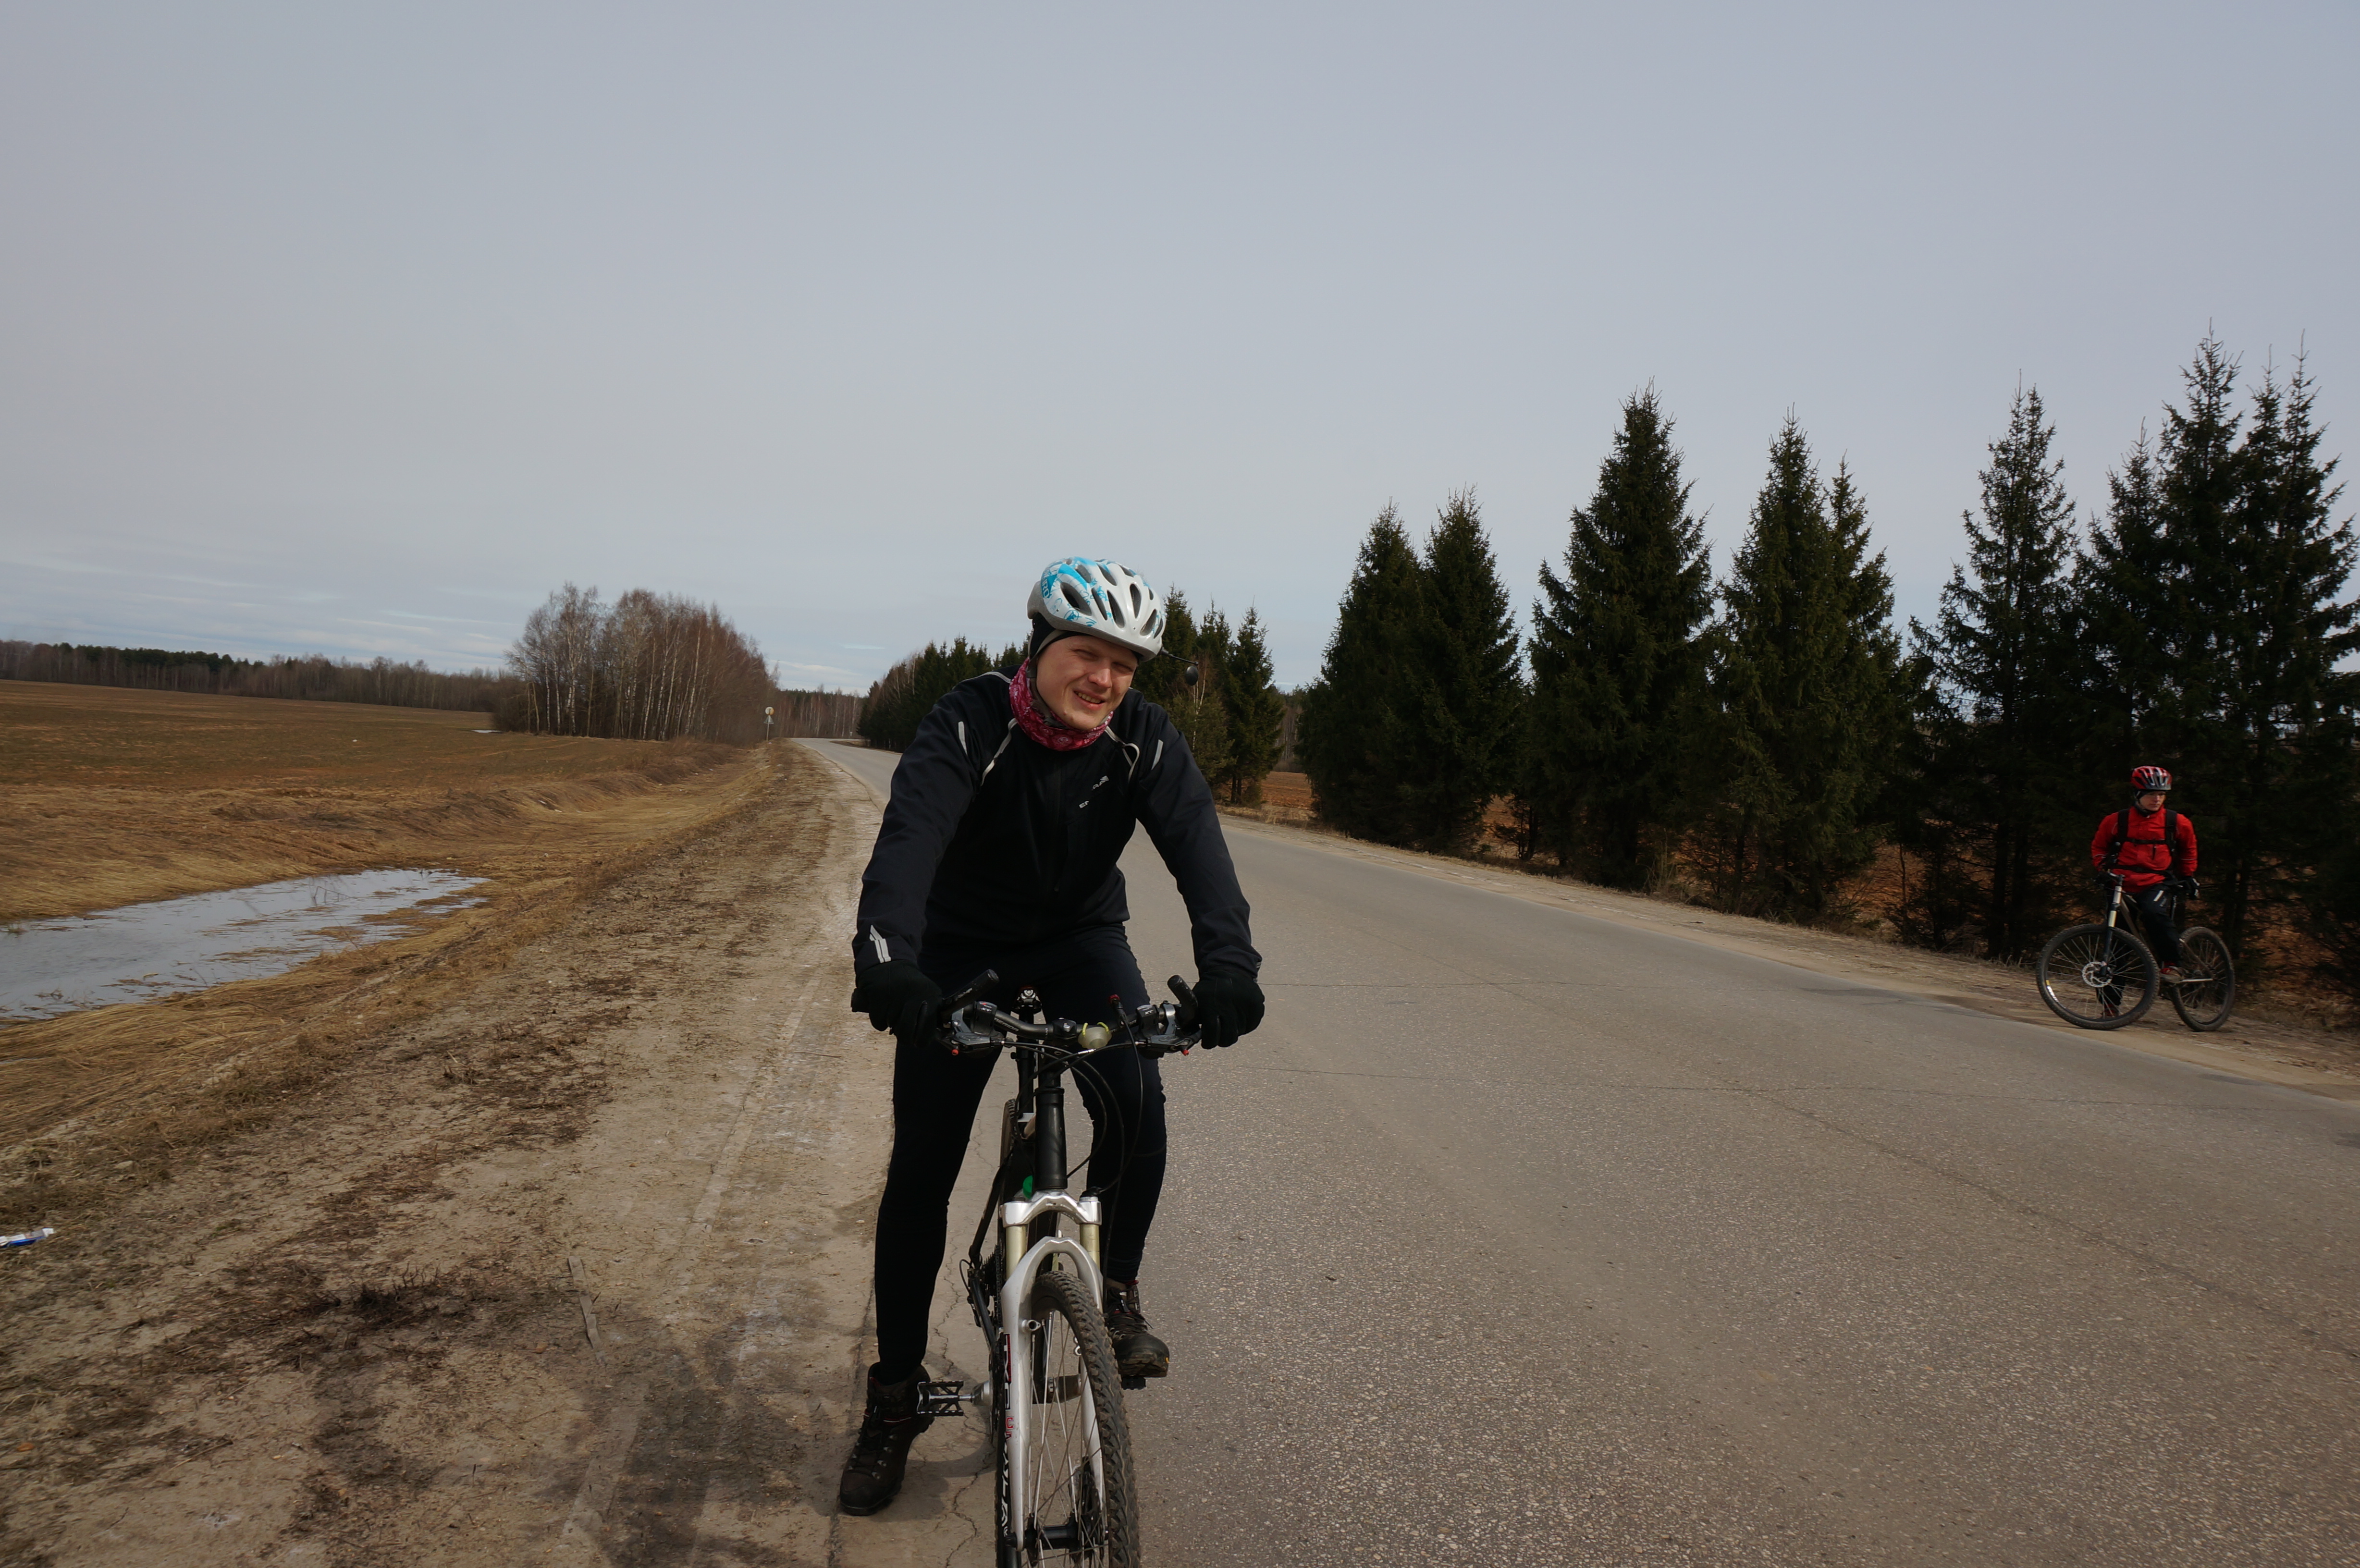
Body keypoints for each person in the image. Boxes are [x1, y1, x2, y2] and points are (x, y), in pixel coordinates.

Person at [836, 556, 1266, 1517]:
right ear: (1038, 647)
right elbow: (909, 838)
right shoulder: (970, 720)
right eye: (1087, 653)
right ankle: (895, 1397)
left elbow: (1199, 849)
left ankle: (1113, 1292)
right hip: (958, 947)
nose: (1104, 679)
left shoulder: (1141, 738)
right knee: (922, 1168)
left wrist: (1231, 968)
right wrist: (888, 959)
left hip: (1079, 941)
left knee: (1137, 1095)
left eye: (1125, 663)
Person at [2089, 765, 2199, 977]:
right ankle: (2110, 996)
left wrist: (2188, 876)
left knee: (2153, 913)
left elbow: (2188, 851)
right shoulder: (2116, 821)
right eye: (2151, 794)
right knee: (2117, 937)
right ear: (2137, 794)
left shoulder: (2177, 822)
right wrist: (2102, 868)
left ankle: (2173, 964)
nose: (2157, 799)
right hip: (2120, 883)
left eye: (2161, 795)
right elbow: (2099, 847)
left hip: (2156, 882)